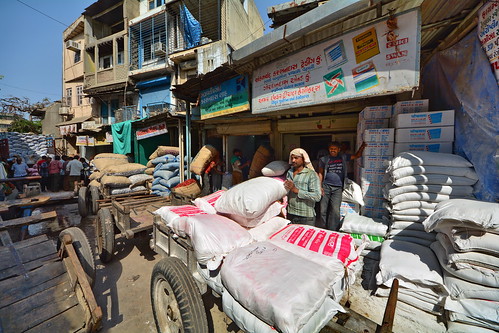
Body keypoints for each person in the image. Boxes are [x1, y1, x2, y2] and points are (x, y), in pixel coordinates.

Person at [318, 141, 366, 231]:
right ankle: (323, 228)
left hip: (338, 188)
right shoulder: (324, 159)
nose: (332, 150)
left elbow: (356, 156)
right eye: (331, 149)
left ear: (338, 150)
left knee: (335, 210)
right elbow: (320, 173)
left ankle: (333, 229)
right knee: (323, 210)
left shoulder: (343, 157)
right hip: (326, 187)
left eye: (335, 149)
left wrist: (362, 147)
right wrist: (319, 186)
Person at [283, 148, 321, 225]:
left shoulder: (311, 174)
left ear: (303, 159)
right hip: (291, 214)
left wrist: (297, 190)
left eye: (296, 158)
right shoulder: (289, 172)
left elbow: (317, 196)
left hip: (306, 216)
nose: (293, 160)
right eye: (292, 158)